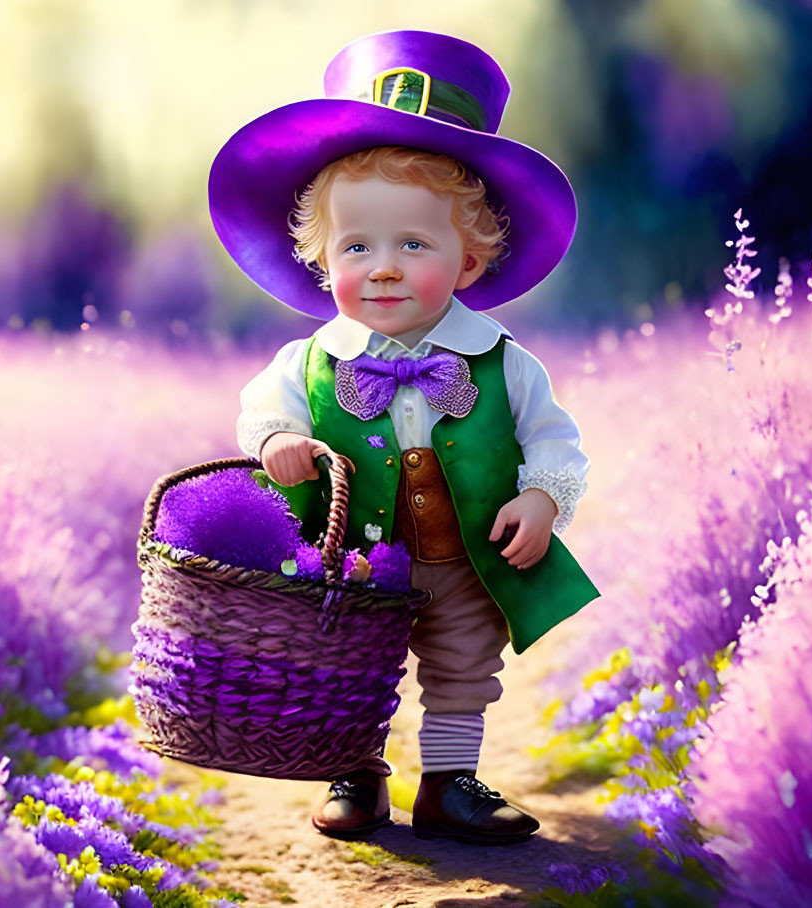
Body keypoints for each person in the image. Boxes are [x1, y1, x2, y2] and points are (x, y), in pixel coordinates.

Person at [209, 29, 600, 845]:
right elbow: (261, 411)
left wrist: (540, 497)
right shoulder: (310, 359)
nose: (382, 268)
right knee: (348, 664)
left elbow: (555, 443)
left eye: (413, 245)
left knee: (463, 663)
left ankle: (450, 782)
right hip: (354, 556)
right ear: (322, 261)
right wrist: (278, 439)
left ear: (469, 260)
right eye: (357, 247)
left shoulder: (502, 361)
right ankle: (356, 773)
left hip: (464, 552)